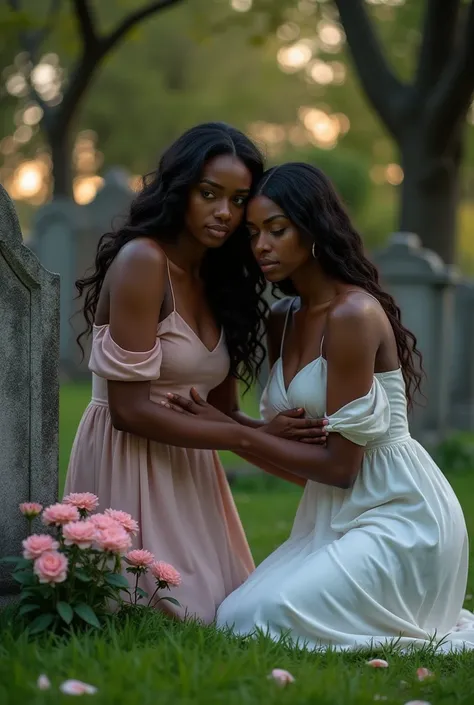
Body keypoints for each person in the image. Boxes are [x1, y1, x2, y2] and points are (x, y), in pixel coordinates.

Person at [169, 162, 474, 650]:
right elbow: (303, 467)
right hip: (331, 517)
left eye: (277, 230)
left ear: (314, 229)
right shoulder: (282, 317)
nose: (261, 246)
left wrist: (233, 432)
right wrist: (233, 426)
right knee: (233, 614)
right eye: (253, 233)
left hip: (401, 519)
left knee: (265, 616)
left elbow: (340, 468)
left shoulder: (352, 315)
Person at [65, 125, 327, 624]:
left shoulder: (218, 278)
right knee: (164, 613)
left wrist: (282, 441)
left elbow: (223, 411)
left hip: (193, 471)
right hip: (131, 460)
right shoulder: (143, 261)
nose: (225, 213)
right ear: (179, 189)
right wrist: (248, 439)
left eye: (239, 200)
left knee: (230, 614)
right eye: (209, 194)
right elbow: (129, 410)